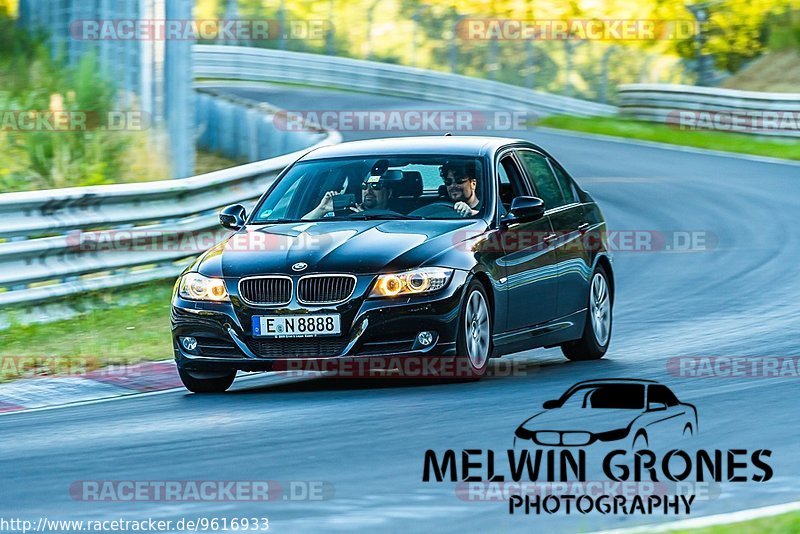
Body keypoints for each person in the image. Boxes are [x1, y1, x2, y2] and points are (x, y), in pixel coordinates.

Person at [303, 175, 393, 219]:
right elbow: (300, 227)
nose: (368, 191)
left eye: (375, 186)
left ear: (388, 193)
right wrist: (322, 209)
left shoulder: (400, 217)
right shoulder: (344, 211)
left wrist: (366, 217)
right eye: (364, 186)